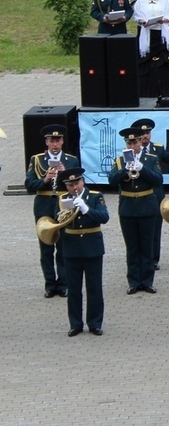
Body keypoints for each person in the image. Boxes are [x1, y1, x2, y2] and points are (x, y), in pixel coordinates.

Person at [26, 124, 79, 298]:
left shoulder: (71, 160)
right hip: (44, 203)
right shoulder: (37, 160)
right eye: (51, 141)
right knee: (46, 247)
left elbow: (79, 185)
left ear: (62, 141)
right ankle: (50, 284)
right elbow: (29, 185)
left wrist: (65, 174)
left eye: (58, 141)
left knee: (64, 245)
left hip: (64, 203)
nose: (55, 145)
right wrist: (44, 180)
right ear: (46, 142)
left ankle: (63, 283)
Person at [107, 126, 162, 295]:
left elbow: (158, 180)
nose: (132, 145)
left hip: (146, 206)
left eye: (135, 142)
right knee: (132, 247)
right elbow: (111, 180)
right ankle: (133, 281)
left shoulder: (151, 159)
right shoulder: (120, 160)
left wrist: (142, 168)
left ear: (140, 142)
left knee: (146, 246)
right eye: (129, 142)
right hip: (128, 207)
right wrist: (125, 170)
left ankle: (147, 281)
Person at [131, 117, 169, 272]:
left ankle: (153, 259)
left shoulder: (158, 149)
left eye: (148, 132)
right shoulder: (130, 152)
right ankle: (138, 259)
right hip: (138, 193)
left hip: (155, 193)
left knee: (155, 227)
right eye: (142, 133)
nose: (145, 136)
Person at [58, 167, 109, 337]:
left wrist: (87, 209)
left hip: (92, 246)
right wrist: (62, 215)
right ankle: (75, 323)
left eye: (76, 183)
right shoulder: (63, 199)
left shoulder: (95, 196)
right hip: (71, 247)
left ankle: (95, 323)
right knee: (73, 289)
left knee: (94, 288)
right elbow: (56, 222)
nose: (74, 187)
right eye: (70, 185)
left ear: (83, 181)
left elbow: (104, 217)